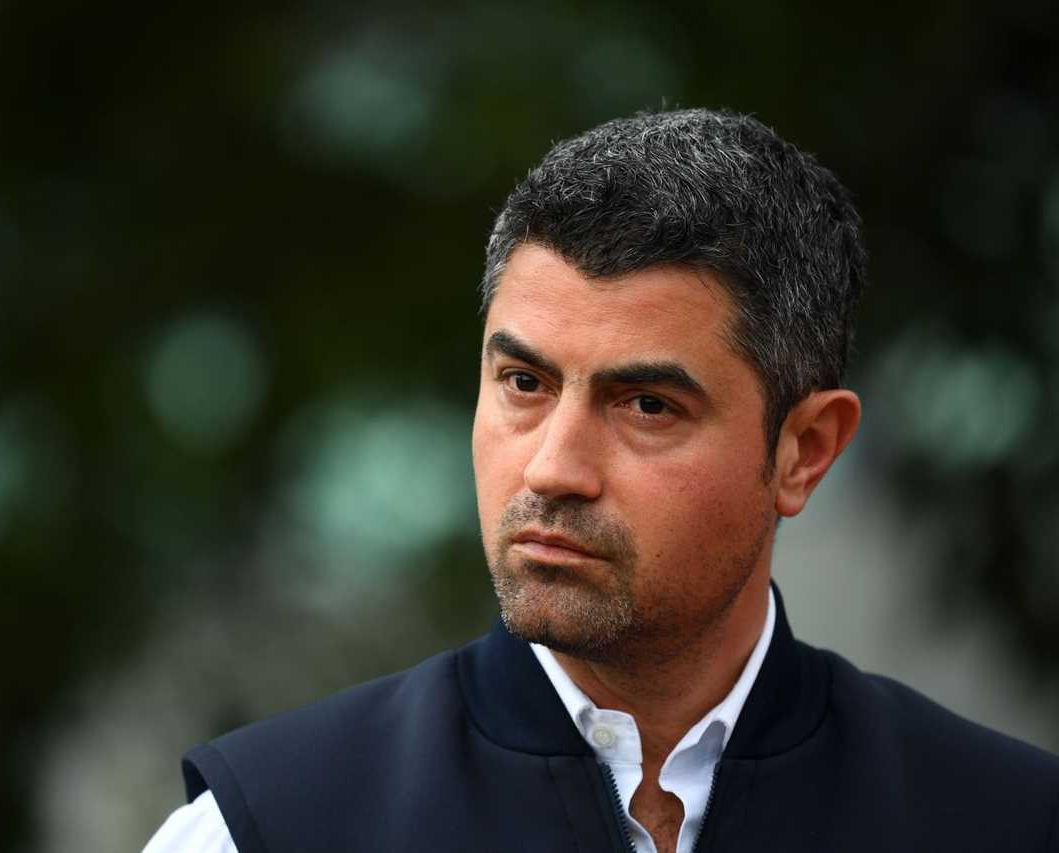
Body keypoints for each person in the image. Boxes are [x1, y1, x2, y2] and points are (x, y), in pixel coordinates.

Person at [142, 109, 1059, 853]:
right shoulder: (264, 828)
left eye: (647, 405)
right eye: (524, 384)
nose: (551, 467)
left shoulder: (1004, 821)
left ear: (804, 450)